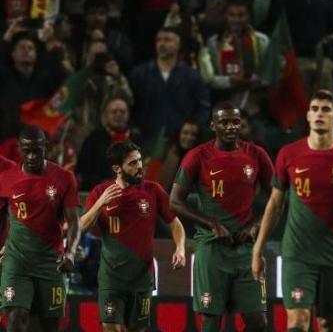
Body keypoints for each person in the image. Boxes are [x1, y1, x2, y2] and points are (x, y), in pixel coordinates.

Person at [252, 90, 333, 332]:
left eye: (326, 109)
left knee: (329, 324)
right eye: (315, 109)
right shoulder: (289, 154)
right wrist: (258, 248)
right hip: (297, 255)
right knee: (297, 321)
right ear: (308, 115)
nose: (320, 113)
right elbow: (275, 204)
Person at [170, 103, 274, 332]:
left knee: (258, 322)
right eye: (224, 122)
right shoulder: (197, 156)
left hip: (246, 249)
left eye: (235, 122)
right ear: (212, 125)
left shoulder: (256, 154)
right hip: (211, 247)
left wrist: (256, 225)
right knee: (211, 321)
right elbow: (175, 200)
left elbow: (279, 198)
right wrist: (211, 223)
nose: (230, 127)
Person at [80, 141, 186, 331]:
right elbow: (80, 227)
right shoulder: (99, 192)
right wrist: (100, 204)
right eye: (132, 163)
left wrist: (180, 248)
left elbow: (175, 223)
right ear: (117, 168)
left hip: (142, 277)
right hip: (111, 277)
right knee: (110, 327)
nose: (139, 167)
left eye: (139, 161)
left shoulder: (153, 191)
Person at [0, 126, 81, 332]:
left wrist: (70, 252)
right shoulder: (7, 175)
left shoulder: (64, 178)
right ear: (19, 149)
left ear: (46, 147)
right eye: (27, 150)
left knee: (49, 326)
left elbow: (74, 221)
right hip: (17, 263)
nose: (32, 155)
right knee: (17, 317)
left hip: (51, 263)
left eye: (37, 150)